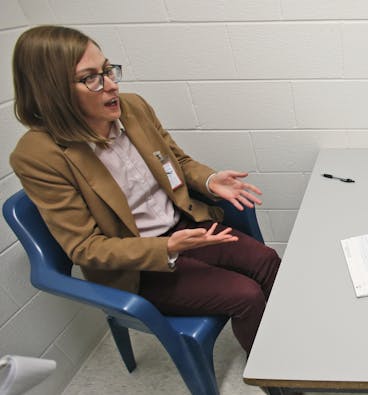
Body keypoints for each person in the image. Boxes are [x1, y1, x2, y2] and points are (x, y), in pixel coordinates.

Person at [9, 25, 281, 354]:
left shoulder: (133, 108)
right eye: (91, 78)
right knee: (247, 295)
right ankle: (279, 381)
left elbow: (177, 162)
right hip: (139, 265)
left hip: (185, 226)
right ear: (51, 91)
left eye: (108, 70)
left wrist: (209, 180)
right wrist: (166, 247)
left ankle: (290, 341)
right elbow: (85, 248)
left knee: (268, 261)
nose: (111, 84)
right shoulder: (38, 156)